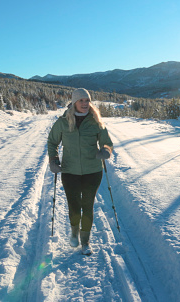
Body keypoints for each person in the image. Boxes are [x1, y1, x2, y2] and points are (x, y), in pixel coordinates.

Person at [47, 88, 113, 255]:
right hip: (70, 171)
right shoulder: (63, 122)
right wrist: (53, 160)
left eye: (87, 100)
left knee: (88, 205)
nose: (85, 104)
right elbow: (52, 142)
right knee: (74, 206)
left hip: (93, 171)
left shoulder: (96, 121)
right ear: (74, 102)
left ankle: (85, 242)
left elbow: (107, 142)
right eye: (81, 100)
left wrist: (106, 150)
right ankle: (74, 232)